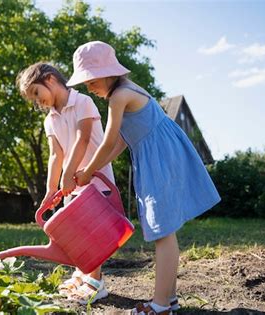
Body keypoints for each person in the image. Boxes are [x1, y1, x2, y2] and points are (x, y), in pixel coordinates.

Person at [69, 41, 221, 314]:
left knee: (162, 231)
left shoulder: (120, 96)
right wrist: (92, 170)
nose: (88, 88)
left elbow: (107, 141)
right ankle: (169, 299)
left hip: (160, 158)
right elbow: (120, 144)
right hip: (158, 156)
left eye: (90, 81)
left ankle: (161, 305)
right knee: (163, 229)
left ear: (106, 73)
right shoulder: (126, 93)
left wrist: (89, 170)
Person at [16, 62, 115, 304]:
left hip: (93, 181)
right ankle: (82, 275)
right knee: (76, 235)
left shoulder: (83, 102)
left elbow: (82, 140)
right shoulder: (50, 119)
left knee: (92, 235)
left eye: (37, 94)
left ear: (50, 80)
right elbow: (55, 154)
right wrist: (52, 189)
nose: (37, 102)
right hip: (70, 186)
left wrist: (67, 175)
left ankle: (96, 282)